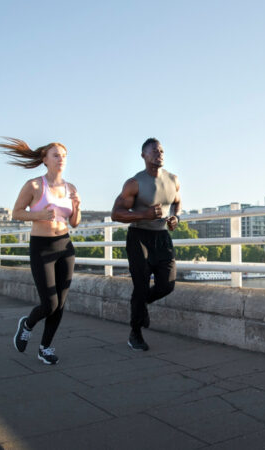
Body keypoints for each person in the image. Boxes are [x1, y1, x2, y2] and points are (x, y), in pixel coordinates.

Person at [0, 137, 81, 364]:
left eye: (64, 155)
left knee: (60, 304)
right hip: (42, 247)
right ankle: (28, 324)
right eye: (56, 155)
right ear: (45, 159)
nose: (61, 159)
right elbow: (16, 212)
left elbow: (75, 222)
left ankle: (46, 347)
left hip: (65, 246)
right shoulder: (34, 185)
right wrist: (38, 215)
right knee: (49, 303)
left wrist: (77, 206)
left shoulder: (70, 187)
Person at [111, 137, 181, 351]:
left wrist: (176, 217)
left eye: (161, 150)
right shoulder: (134, 183)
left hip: (162, 238)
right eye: (154, 151)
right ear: (143, 156)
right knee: (140, 286)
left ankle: (141, 306)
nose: (159, 153)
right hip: (139, 238)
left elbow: (177, 202)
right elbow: (116, 214)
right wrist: (145, 214)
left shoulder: (173, 180)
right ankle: (135, 333)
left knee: (167, 284)